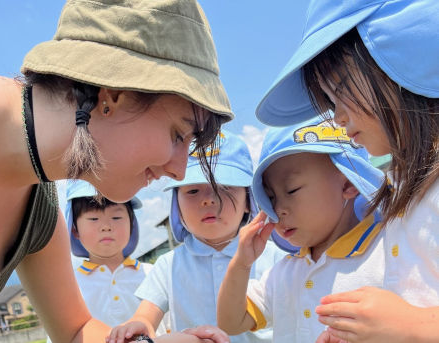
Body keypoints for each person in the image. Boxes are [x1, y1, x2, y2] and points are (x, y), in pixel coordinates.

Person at [0, 0, 235, 342]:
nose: (179, 171)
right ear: (113, 93)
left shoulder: (38, 201)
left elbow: (75, 331)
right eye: (178, 134)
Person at [255, 1, 439, 342]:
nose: (336, 117)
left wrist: (409, 325)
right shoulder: (405, 188)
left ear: (399, 52)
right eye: (328, 100)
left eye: (338, 91)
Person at [107, 130, 286, 343]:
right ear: (177, 207)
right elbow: (146, 316)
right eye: (193, 191)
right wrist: (138, 325)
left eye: (224, 188)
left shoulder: (275, 258)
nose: (208, 200)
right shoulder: (169, 265)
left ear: (248, 201)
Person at [216, 118, 386, 342]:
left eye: (292, 189)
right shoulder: (287, 271)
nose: (278, 209)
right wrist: (241, 263)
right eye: (271, 197)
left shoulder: (386, 252)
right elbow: (231, 322)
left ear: (348, 184)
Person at [46, 180, 168, 343]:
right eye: (94, 218)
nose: (106, 226)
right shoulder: (69, 286)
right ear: (75, 230)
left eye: (116, 217)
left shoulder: (153, 273)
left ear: (131, 224)